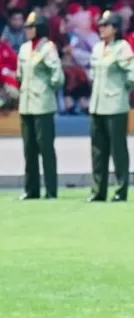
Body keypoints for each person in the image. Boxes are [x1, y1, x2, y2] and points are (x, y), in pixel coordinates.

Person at [87, 11, 134, 202]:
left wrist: (120, 89)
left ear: (116, 28)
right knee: (97, 150)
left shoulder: (122, 47)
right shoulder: (97, 48)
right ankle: (98, 191)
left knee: (117, 149)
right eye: (101, 25)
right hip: (97, 104)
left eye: (106, 25)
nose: (101, 28)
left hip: (115, 105)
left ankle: (120, 189)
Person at [16, 12, 63, 201]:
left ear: (40, 28)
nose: (27, 30)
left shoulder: (48, 48)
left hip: (42, 104)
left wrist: (45, 88)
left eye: (31, 27)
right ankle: (31, 189)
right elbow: (20, 74)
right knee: (29, 149)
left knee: (46, 149)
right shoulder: (24, 48)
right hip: (26, 103)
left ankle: (51, 190)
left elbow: (57, 76)